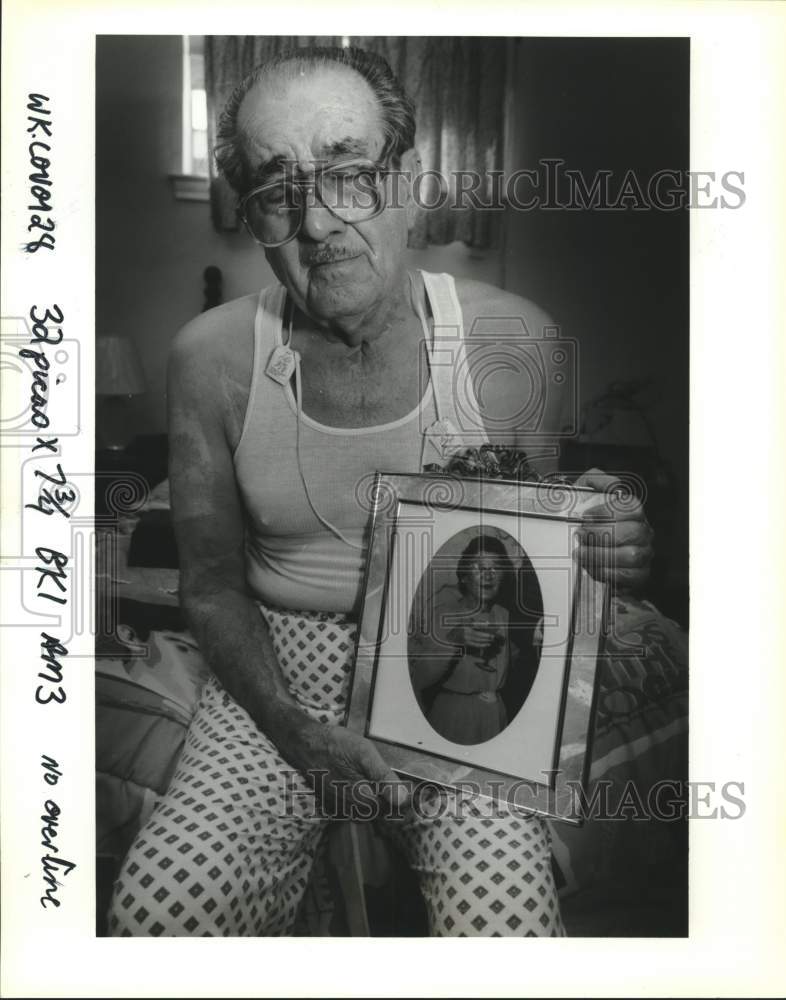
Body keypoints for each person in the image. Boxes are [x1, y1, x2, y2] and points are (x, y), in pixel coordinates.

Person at [108, 45, 653, 937]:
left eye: (349, 173)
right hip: (273, 687)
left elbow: (536, 563)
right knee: (160, 910)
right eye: (277, 189)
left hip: (449, 691)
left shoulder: (515, 340)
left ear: (408, 180)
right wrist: (289, 725)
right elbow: (209, 585)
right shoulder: (208, 358)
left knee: (505, 927)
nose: (318, 223)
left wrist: (603, 541)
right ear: (252, 214)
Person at [409, 534, 522, 744]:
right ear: (464, 576)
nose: (488, 575)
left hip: (496, 716)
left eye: (496, 568)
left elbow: (512, 664)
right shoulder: (444, 613)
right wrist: (453, 641)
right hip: (455, 716)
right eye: (479, 567)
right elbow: (421, 679)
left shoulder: (503, 615)